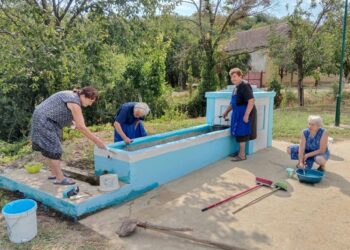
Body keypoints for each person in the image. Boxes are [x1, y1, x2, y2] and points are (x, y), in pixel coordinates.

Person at [31, 87, 106, 185]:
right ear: (83, 96)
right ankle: (60, 178)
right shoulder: (74, 102)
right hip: (45, 121)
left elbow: (60, 110)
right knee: (55, 149)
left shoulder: (72, 96)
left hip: (43, 118)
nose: (90, 104)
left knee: (49, 148)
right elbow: (81, 127)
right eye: (90, 101)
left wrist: (71, 123)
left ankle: (54, 174)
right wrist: (97, 141)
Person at [222, 68, 257, 161]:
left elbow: (251, 100)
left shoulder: (245, 85)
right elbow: (232, 103)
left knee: (242, 133)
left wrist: (246, 115)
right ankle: (239, 152)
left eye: (235, 76)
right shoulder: (236, 87)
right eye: (231, 77)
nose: (233, 79)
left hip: (244, 112)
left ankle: (242, 155)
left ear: (240, 76)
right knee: (238, 132)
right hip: (237, 112)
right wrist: (226, 112)